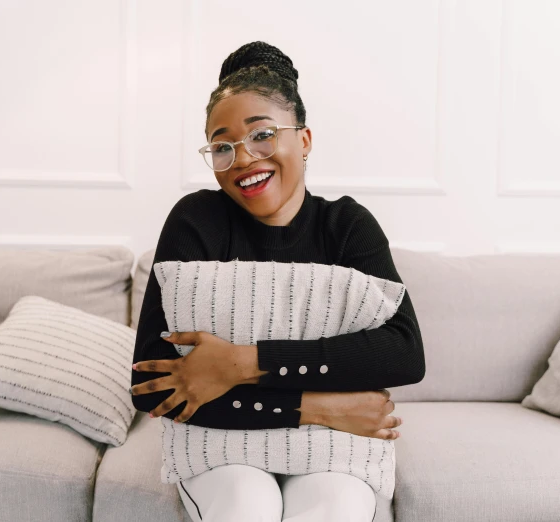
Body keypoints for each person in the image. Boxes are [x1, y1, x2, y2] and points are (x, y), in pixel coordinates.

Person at [130, 41, 425, 522]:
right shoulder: (196, 222)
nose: (243, 158)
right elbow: (153, 387)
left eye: (261, 135)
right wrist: (320, 408)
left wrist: (240, 363)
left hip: (333, 451)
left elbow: (403, 353)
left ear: (304, 140)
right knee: (246, 507)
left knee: (336, 509)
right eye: (222, 146)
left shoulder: (348, 226)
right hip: (221, 446)